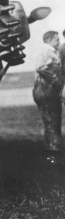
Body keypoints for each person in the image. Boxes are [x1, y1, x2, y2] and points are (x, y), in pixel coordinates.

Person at [33, 31, 63, 164]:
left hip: (49, 91)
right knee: (51, 122)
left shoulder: (50, 51)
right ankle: (52, 154)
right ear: (49, 40)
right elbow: (41, 68)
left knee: (53, 121)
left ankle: (54, 151)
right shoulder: (46, 52)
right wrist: (56, 82)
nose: (59, 42)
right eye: (57, 40)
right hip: (46, 91)